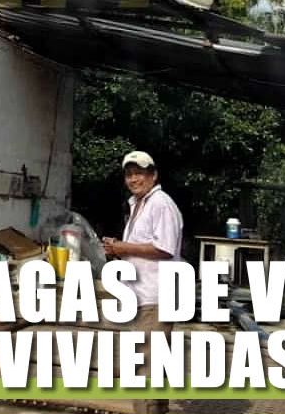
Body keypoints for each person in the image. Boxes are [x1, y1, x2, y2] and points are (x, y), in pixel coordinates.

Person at [101, 150, 183, 414]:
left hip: (155, 298)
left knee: (144, 369)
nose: (134, 179)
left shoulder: (160, 203)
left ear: (153, 175)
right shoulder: (140, 204)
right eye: (129, 174)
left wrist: (122, 247)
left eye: (139, 173)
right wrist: (118, 249)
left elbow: (164, 248)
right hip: (142, 297)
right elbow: (141, 246)